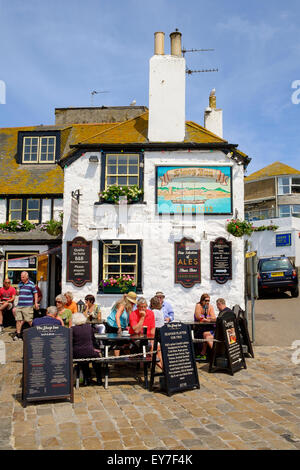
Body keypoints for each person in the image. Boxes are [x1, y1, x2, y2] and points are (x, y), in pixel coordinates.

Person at [72, 312, 102, 386]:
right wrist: (97, 349)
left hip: (77, 353)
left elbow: (71, 342)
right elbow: (94, 340)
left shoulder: (72, 329)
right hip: (89, 351)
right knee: (96, 358)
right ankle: (99, 379)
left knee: (83, 358)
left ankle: (86, 379)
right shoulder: (89, 327)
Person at [106, 291, 137, 356]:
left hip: (122, 326)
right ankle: (117, 359)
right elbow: (117, 316)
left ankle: (127, 359)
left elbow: (130, 318)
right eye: (132, 303)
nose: (133, 304)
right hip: (114, 326)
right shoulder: (122, 305)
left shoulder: (128, 307)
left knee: (127, 342)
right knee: (118, 343)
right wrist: (119, 327)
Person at [13, 271, 39, 341]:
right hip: (19, 305)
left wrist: (36, 303)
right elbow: (18, 293)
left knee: (29, 320)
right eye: (21, 277)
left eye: (23, 277)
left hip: (28, 305)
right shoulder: (20, 284)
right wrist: (17, 292)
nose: (21, 278)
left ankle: (36, 334)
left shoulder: (31, 284)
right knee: (18, 320)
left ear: (27, 277)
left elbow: (35, 294)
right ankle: (18, 335)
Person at [194, 293, 216, 361]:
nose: (207, 302)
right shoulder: (198, 305)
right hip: (199, 326)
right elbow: (198, 317)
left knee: (206, 333)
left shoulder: (210, 306)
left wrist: (207, 318)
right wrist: (207, 318)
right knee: (201, 333)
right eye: (206, 300)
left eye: (208, 301)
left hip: (209, 326)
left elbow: (214, 317)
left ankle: (205, 354)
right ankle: (202, 353)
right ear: (202, 300)